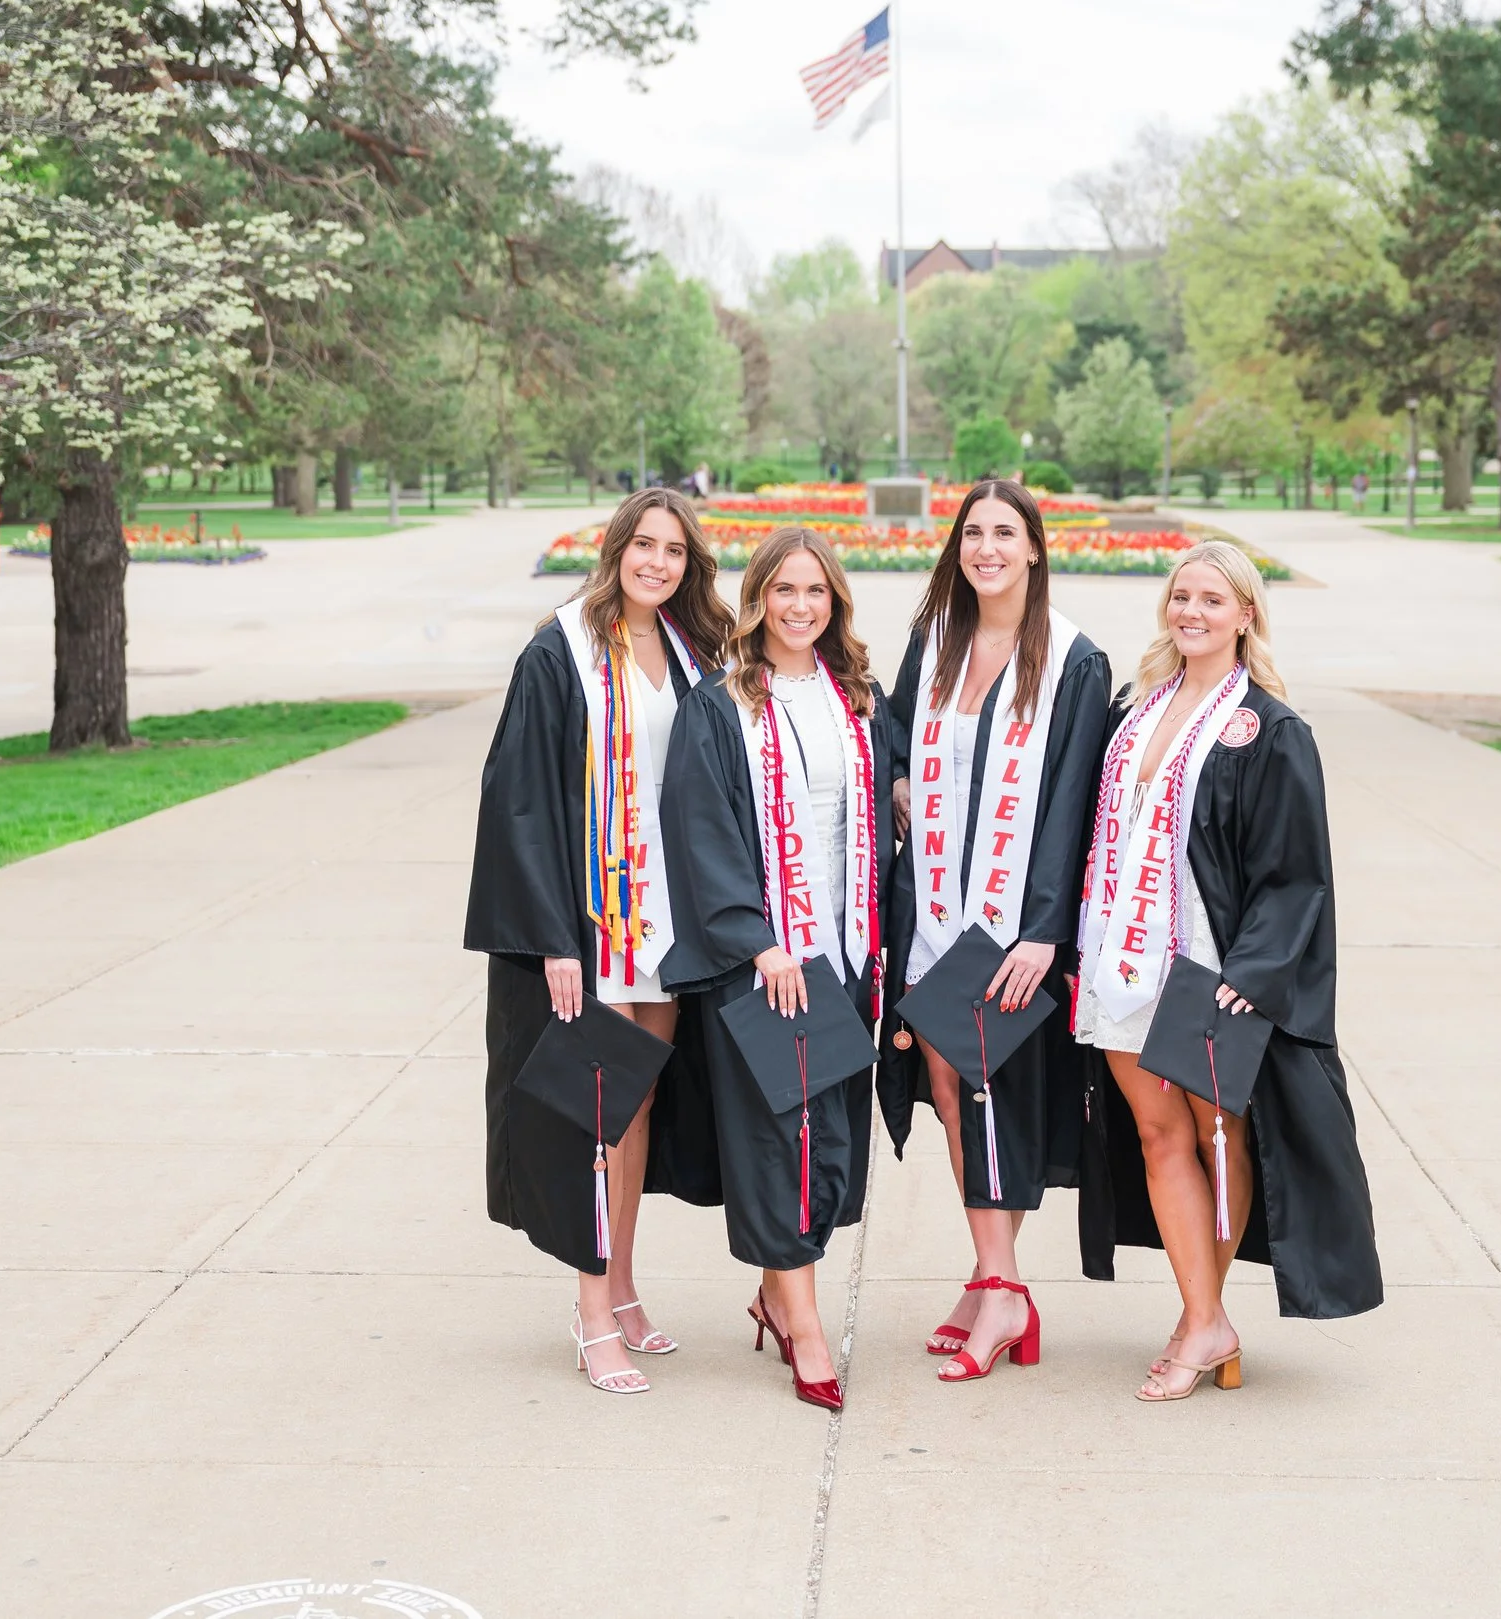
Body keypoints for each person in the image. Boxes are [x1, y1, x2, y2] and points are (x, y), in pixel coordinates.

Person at [1074, 542, 1383, 1401]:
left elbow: (1296, 871)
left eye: (1213, 599)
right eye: (1182, 596)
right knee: (1156, 1135)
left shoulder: (1271, 730)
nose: (1193, 612)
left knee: (1218, 1137)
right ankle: (1202, 1315)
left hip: (1208, 971)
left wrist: (1254, 969)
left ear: (1247, 613)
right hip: (1123, 957)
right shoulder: (1136, 709)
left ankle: (1205, 1321)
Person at [465, 488, 734, 1396]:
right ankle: (589, 1313)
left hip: (666, 919)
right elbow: (521, 799)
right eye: (643, 545)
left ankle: (621, 1286)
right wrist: (554, 938)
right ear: (617, 547)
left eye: (674, 551)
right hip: (592, 919)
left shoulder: (691, 654)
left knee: (638, 1110)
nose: (657, 562)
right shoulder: (562, 650)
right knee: (594, 1112)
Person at [879, 479, 1112, 1383]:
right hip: (932, 906)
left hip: (1015, 923)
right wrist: (898, 773)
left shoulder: (1072, 662)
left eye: (1003, 533)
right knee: (947, 1080)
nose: (986, 548)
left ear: (1035, 549)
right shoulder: (936, 640)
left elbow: (1072, 801)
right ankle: (992, 1278)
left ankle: (1004, 1288)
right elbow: (894, 728)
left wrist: (1046, 930)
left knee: (988, 1092)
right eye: (972, 532)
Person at [661, 526, 892, 1412]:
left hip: (839, 958)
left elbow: (884, 808)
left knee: (824, 1149)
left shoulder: (857, 700)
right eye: (785, 590)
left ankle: (773, 1291)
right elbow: (704, 835)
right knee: (780, 1146)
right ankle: (804, 1327)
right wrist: (759, 941)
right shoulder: (720, 708)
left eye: (818, 593)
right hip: (764, 966)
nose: (801, 607)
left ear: (835, 604)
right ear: (758, 598)